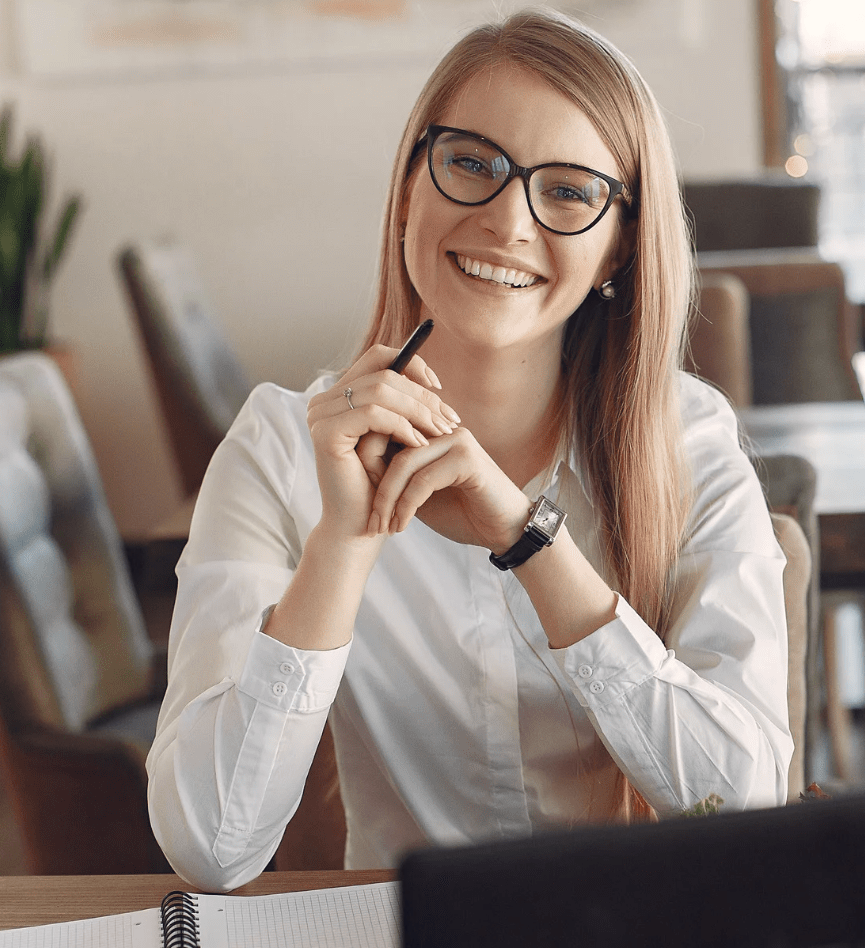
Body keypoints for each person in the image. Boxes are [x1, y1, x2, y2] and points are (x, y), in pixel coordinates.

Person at [147, 8, 792, 892]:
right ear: (410, 184)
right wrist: (344, 542)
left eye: (568, 190)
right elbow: (211, 849)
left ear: (618, 249)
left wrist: (531, 541)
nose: (506, 220)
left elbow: (744, 811)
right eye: (472, 164)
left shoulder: (690, 443)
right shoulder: (279, 448)